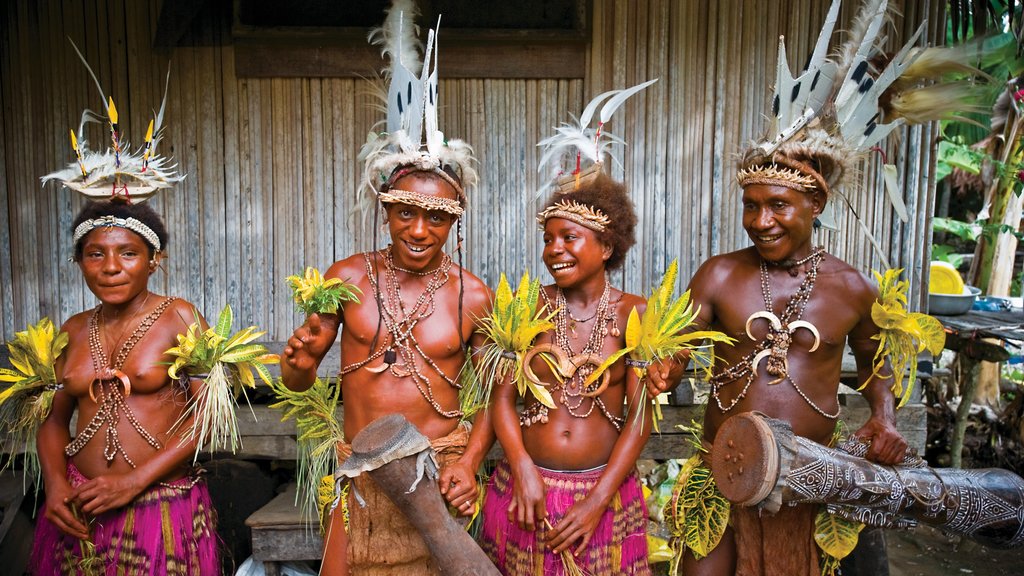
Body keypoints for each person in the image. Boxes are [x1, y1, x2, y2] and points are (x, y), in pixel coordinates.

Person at [646, 0, 985, 572]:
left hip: (811, 477)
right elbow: (677, 340)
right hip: (721, 470)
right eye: (750, 206)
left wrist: (882, 417)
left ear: (816, 203)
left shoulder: (851, 288)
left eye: (778, 205)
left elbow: (876, 363)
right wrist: (666, 364)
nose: (760, 221)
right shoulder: (720, 273)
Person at [280, 4, 494, 574]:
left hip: (439, 477)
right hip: (360, 473)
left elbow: (499, 393)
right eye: (404, 213)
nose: (419, 230)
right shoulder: (346, 279)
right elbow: (297, 379)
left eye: (436, 218)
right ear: (385, 211)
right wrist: (297, 362)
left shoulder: (472, 294)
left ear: (456, 220)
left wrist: (470, 462)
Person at [479, 81, 665, 576]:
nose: (554, 249)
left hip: (601, 496)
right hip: (526, 492)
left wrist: (598, 501)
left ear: (606, 247)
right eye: (548, 239)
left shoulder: (636, 314)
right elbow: (501, 398)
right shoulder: (526, 306)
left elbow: (640, 416)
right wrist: (520, 467)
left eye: (569, 237)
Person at [32, 199, 219, 575]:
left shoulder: (180, 317)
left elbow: (209, 419)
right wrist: (54, 483)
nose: (111, 267)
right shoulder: (71, 330)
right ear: (79, 262)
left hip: (161, 505)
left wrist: (133, 482)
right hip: (82, 505)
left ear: (154, 260)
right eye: (95, 254)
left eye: (128, 253)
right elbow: (52, 421)